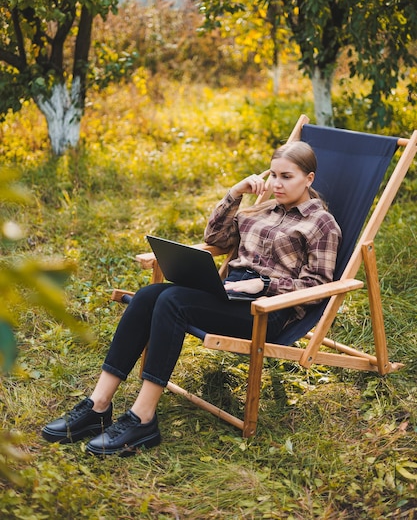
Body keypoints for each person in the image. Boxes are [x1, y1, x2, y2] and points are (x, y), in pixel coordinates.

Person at [42, 141, 342, 457]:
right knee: (147, 296)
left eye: (287, 177)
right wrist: (236, 193)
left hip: (268, 311)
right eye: (274, 175)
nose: (277, 184)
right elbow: (214, 240)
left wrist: (264, 283)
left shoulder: (321, 224)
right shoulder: (265, 208)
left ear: (309, 179)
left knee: (172, 302)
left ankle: (143, 419)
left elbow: (316, 286)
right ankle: (97, 406)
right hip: (231, 295)